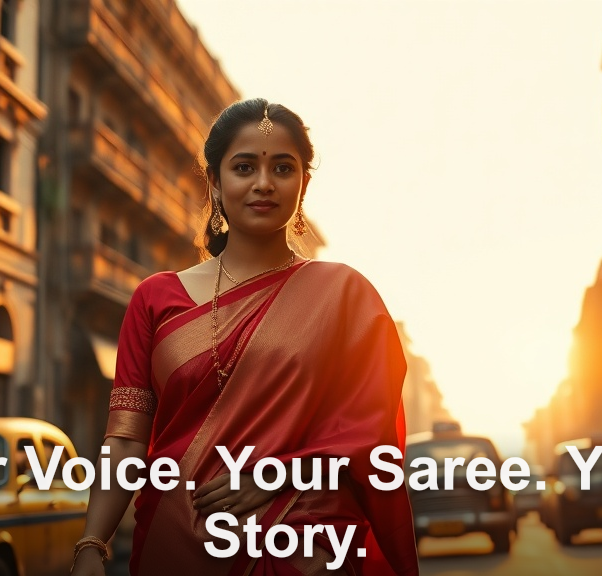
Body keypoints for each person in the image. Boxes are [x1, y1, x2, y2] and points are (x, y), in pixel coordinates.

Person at [69, 98, 418, 575]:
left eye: (282, 167)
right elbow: (126, 441)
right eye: (244, 167)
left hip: (301, 547)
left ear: (304, 184)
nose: (263, 183)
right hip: (175, 542)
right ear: (215, 182)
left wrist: (281, 474)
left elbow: (366, 435)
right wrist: (93, 542)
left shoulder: (343, 297)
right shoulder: (156, 300)